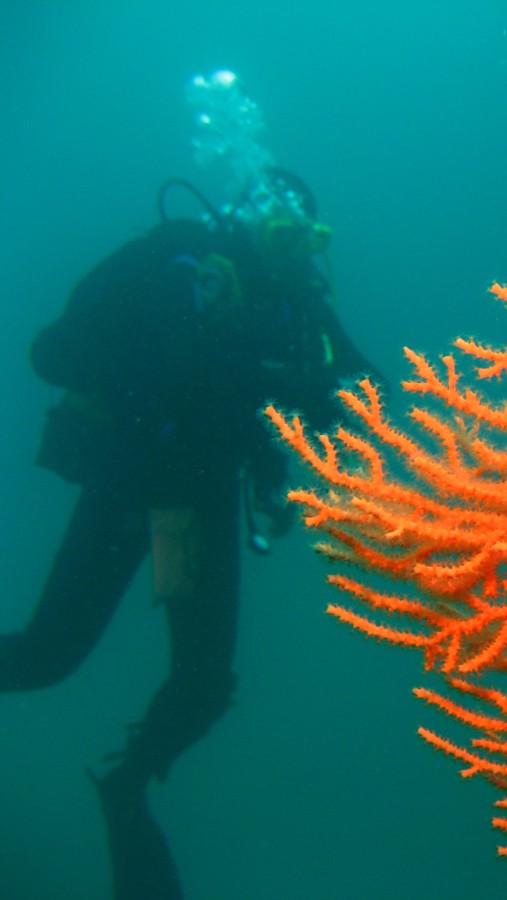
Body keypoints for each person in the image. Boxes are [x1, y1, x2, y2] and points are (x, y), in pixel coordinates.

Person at [0, 167, 382, 899]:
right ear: (245, 223)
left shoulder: (300, 299)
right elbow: (146, 360)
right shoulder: (183, 263)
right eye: (277, 234)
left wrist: (338, 401)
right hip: (133, 484)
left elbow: (362, 386)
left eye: (307, 239)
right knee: (51, 655)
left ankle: (126, 788)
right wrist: (285, 385)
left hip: (196, 507)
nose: (289, 250)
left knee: (204, 681)